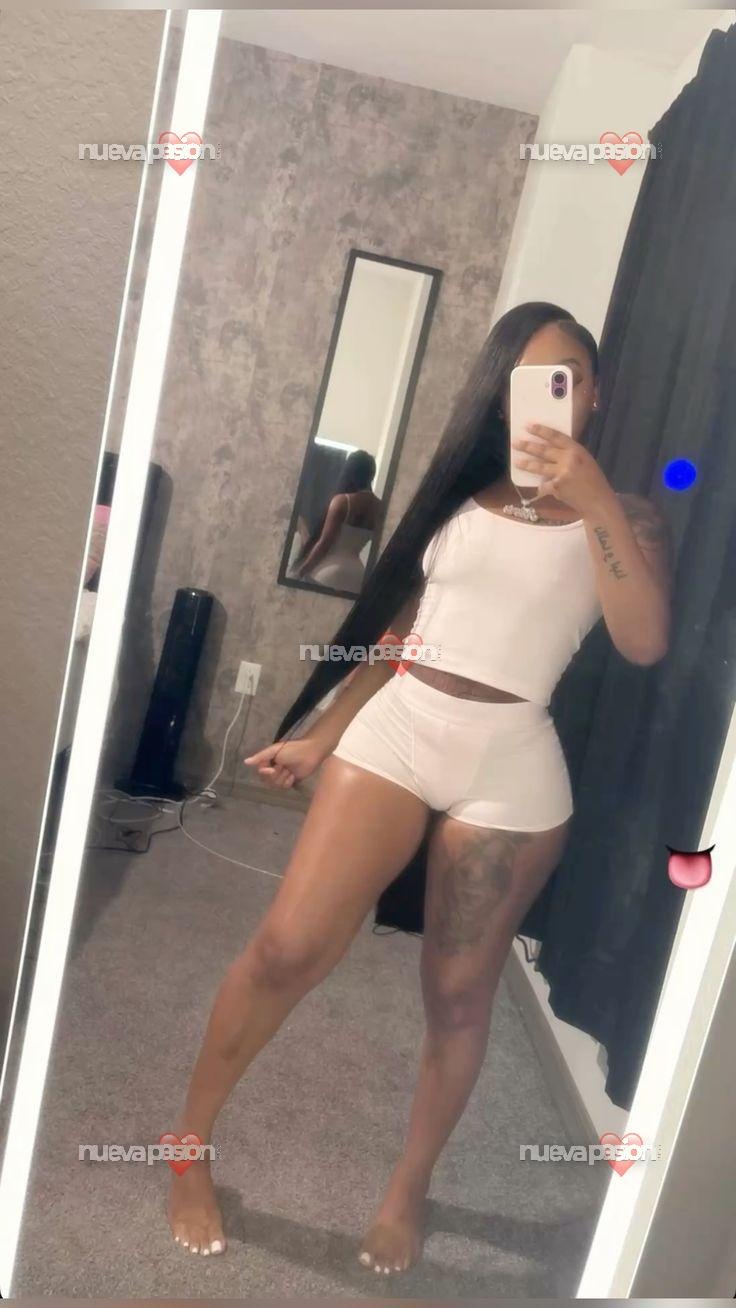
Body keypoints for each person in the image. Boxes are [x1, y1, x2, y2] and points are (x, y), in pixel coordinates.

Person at [167, 302, 672, 1273]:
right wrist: (322, 734)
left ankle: (408, 1189)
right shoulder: (460, 496)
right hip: (401, 727)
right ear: (502, 396)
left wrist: (598, 501)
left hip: (511, 757)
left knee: (456, 995)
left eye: (567, 377)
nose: (551, 397)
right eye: (530, 379)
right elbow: (402, 636)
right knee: (286, 948)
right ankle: (187, 1150)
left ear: (594, 394)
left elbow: (643, 642)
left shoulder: (629, 518)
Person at [292, 449, 382, 591]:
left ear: (350, 472)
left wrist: (300, 572)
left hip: (329, 571)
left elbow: (324, 544)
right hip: (358, 575)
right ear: (372, 474)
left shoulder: (343, 501)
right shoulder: (381, 507)